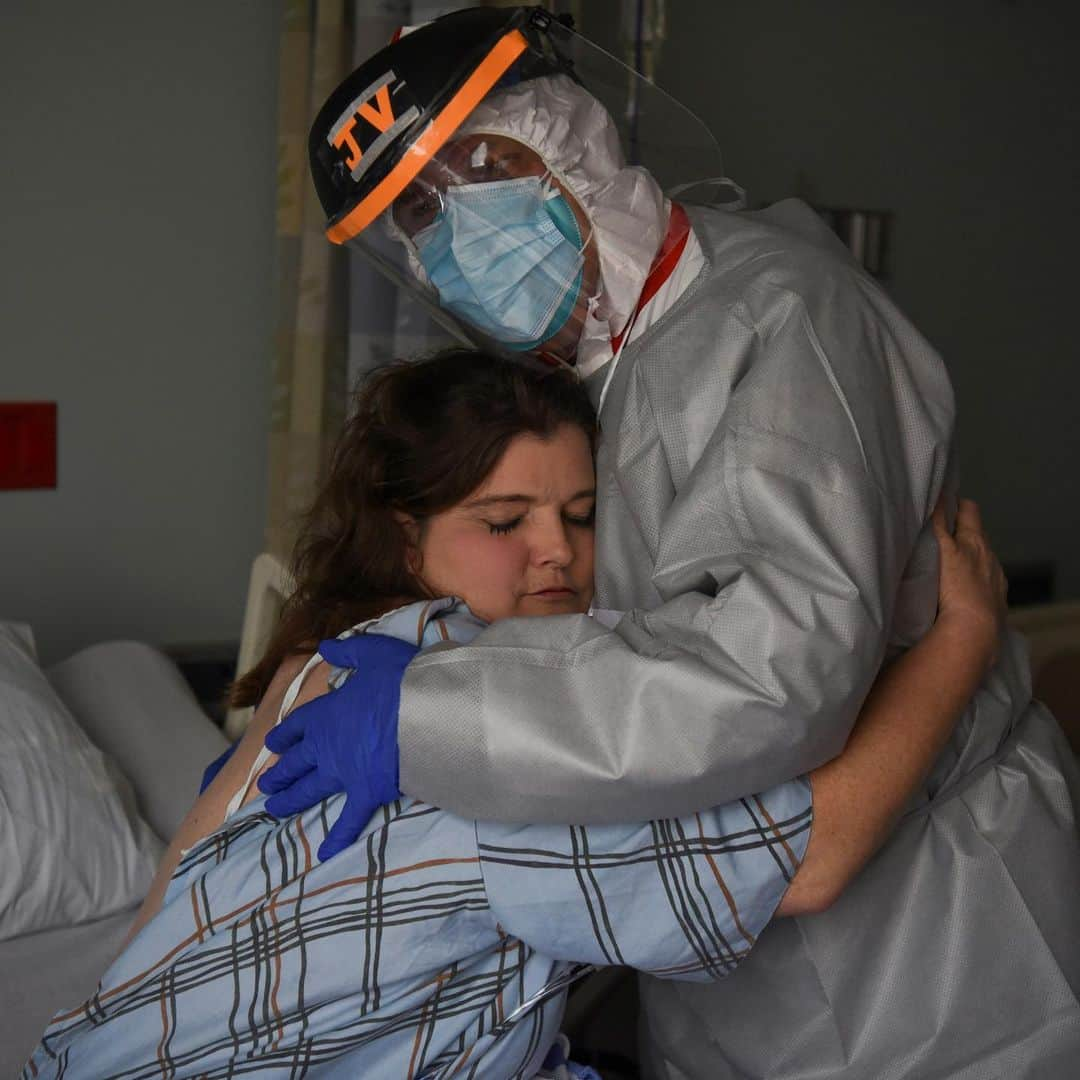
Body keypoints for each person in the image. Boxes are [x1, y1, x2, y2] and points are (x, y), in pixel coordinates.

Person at [263, 7, 1080, 1077]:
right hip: (739, 953)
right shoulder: (623, 363)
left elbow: (765, 682)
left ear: (567, 136)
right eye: (418, 213)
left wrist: (429, 708)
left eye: (480, 169)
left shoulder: (783, 318)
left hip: (929, 943)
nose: (454, 230)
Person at [27, 350, 1006, 1079]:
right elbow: (811, 857)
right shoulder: (470, 714)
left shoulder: (312, 669)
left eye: (581, 516)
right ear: (407, 541)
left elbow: (154, 931)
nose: (556, 555)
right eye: (504, 523)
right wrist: (962, 639)